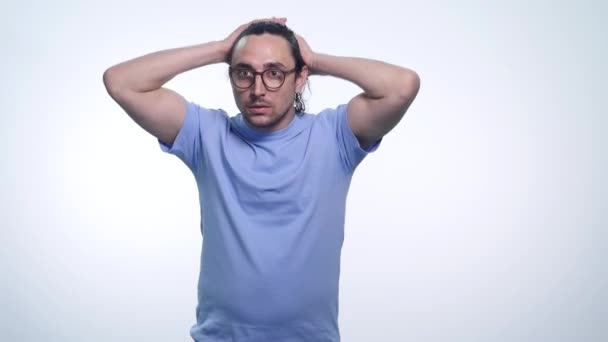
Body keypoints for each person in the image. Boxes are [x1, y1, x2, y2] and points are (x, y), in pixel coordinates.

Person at [103, 17, 420, 342]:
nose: (257, 90)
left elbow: (402, 86)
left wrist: (313, 59)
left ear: (299, 79)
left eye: (274, 73)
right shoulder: (206, 134)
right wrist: (221, 48)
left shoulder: (333, 135)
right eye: (244, 73)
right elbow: (121, 82)